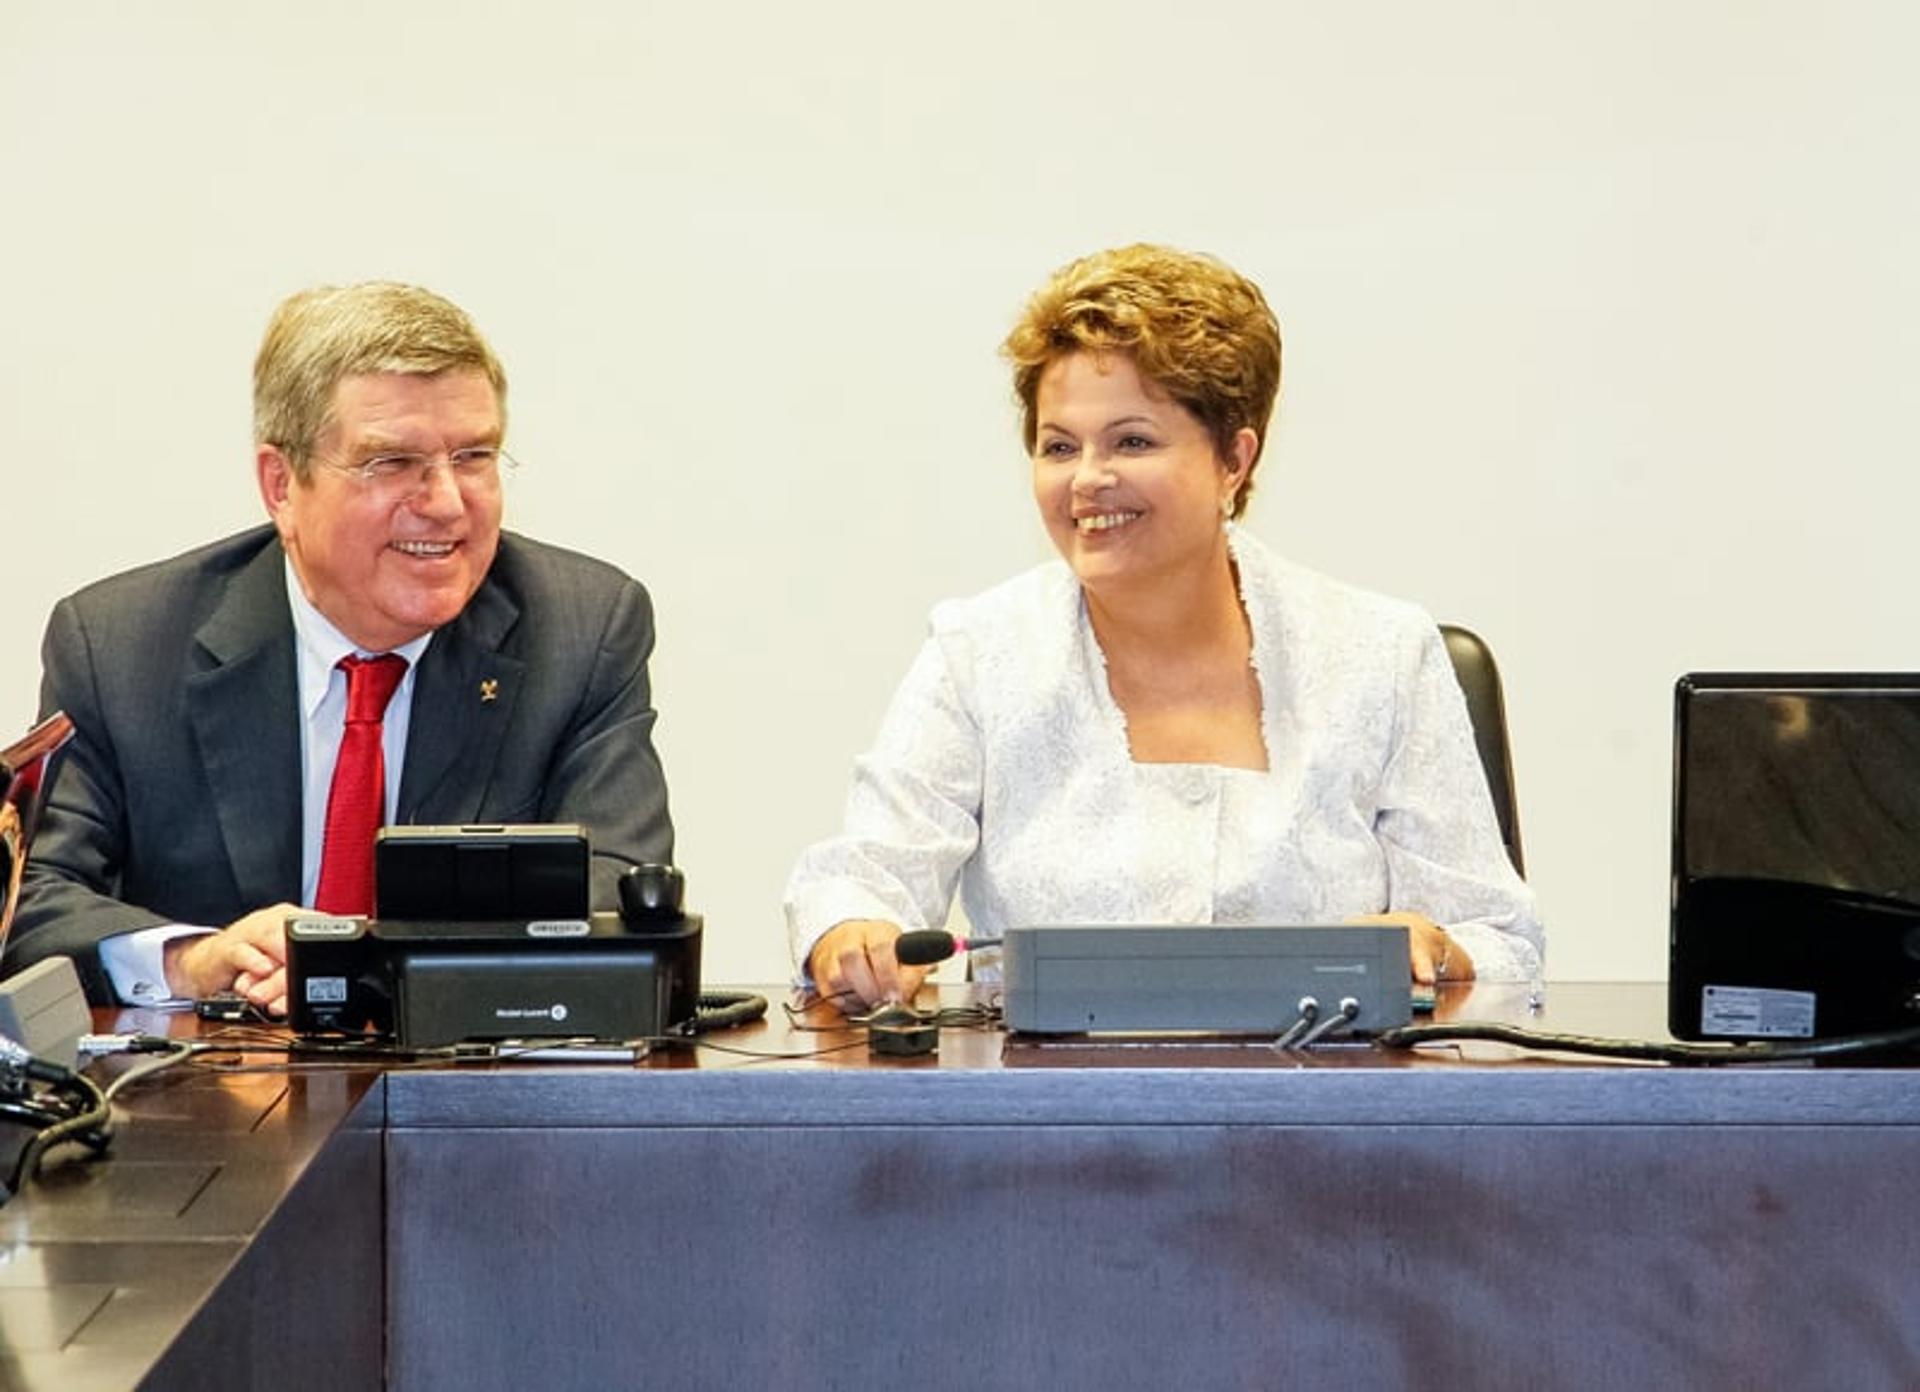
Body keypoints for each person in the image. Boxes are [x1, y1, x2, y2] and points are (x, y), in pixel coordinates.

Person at [786, 244, 1541, 1012]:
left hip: (1330, 1114)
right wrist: (852, 932)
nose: (1086, 479)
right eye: (1058, 446)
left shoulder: (1382, 654)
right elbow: (862, 876)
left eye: (1132, 441)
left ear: (1233, 460)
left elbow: (1501, 939)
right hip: (1042, 1118)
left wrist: (1442, 950)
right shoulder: (978, 653)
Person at [6, 281, 672, 1013]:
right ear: (281, 484)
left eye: (475, 456)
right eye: (392, 463)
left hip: (467, 1095)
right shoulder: (121, 647)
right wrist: (195, 959)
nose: (448, 502)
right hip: (208, 1102)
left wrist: (376, 968)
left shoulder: (582, 629)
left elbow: (621, 890)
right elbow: (30, 898)